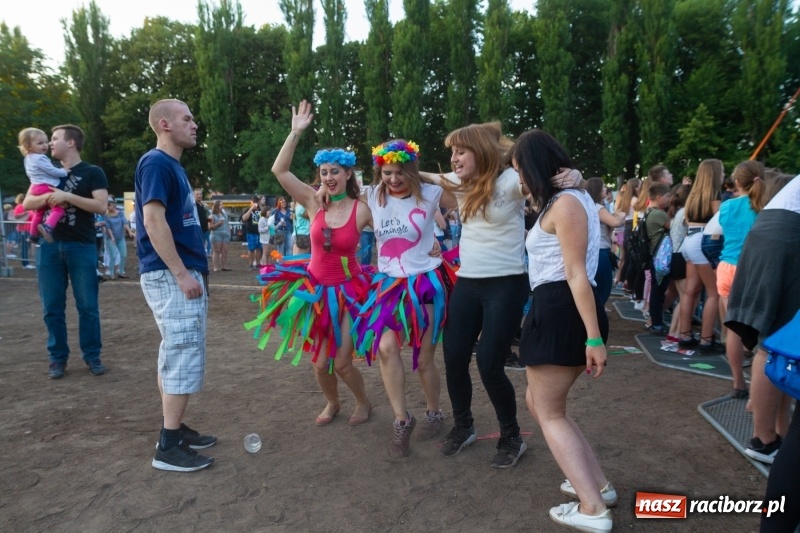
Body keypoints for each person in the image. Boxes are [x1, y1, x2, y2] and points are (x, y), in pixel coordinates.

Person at [246, 99, 372, 427]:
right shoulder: (312, 202)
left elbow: (393, 231)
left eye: (335, 171)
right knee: (319, 363)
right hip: (315, 292)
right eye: (324, 172)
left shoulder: (362, 209)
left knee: (342, 363)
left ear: (348, 174)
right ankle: (333, 402)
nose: (328, 177)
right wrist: (295, 133)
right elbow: (280, 171)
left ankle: (363, 402)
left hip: (348, 293)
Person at [512, 129, 613, 533]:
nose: (518, 177)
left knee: (548, 411)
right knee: (539, 403)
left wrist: (594, 337)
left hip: (560, 309)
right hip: (557, 307)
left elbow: (576, 274)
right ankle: (597, 487)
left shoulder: (567, 202)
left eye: (520, 168)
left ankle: (593, 508)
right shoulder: (570, 197)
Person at [421, 121, 529, 468]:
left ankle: (511, 436)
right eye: (452, 152)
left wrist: (572, 176)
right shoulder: (460, 183)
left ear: (480, 152)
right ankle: (464, 426)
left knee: (488, 363)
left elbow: (549, 178)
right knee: (453, 356)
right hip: (468, 284)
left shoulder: (511, 181)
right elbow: (426, 176)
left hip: (506, 284)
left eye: (460, 151)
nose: (453, 158)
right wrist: (396, 162)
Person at [353, 139, 457, 458]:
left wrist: (423, 175)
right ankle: (402, 419)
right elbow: (336, 196)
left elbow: (466, 190)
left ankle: (434, 412)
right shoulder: (372, 195)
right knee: (386, 348)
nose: (394, 179)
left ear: (411, 170)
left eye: (400, 172)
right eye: (387, 173)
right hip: (389, 285)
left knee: (424, 359)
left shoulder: (430, 194)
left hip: (425, 283)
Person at [135, 99, 216, 472]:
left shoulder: (171, 166)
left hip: (175, 271)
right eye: (187, 118)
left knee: (176, 351)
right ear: (165, 124)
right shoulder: (157, 162)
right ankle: (168, 446)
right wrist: (182, 273)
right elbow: (153, 220)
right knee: (182, 352)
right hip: (172, 273)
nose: (194, 124)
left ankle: (175, 429)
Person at [22, 124, 109, 379]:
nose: (50, 143)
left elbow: (101, 206)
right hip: (49, 247)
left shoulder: (92, 172)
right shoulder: (43, 168)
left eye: (55, 138)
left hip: (81, 245)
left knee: (88, 306)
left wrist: (67, 197)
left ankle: (92, 356)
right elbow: (28, 202)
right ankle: (57, 358)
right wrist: (51, 199)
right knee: (51, 307)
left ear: (71, 142)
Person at [717, 161, 767, 399]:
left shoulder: (727, 206)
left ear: (737, 182)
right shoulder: (764, 208)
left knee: (734, 330)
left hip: (726, 269)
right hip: (753, 269)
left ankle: (738, 383)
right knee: (760, 330)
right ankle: (760, 386)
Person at [678, 159, 724, 352]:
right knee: (713, 293)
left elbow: (686, 220)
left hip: (689, 240)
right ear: (715, 174)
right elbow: (720, 222)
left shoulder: (692, 195)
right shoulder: (714, 195)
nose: (724, 175)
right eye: (722, 171)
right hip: (703, 241)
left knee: (690, 291)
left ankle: (685, 335)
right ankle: (706, 339)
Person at [17, 127, 68, 243]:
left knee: (39, 212)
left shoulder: (28, 158)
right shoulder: (40, 158)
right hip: (46, 186)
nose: (45, 145)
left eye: (45, 142)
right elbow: (52, 170)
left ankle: (33, 235)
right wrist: (64, 171)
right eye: (40, 143)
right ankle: (48, 227)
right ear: (29, 146)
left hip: (36, 187)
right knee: (59, 209)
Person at [584, 178, 625, 306]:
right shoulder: (598, 208)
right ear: (597, 190)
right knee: (603, 289)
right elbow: (615, 222)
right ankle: (597, 314)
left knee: (594, 289)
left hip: (590, 251)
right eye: (603, 187)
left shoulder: (585, 205)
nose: (606, 190)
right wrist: (622, 215)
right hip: (601, 252)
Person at [643, 182, 672, 335]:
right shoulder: (659, 214)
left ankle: (656, 322)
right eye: (667, 196)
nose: (669, 199)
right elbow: (673, 228)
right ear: (659, 197)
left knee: (657, 291)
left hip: (654, 255)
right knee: (658, 292)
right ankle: (657, 324)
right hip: (660, 257)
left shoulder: (649, 212)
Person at [103, 196, 133, 279]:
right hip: (110, 238)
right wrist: (112, 237)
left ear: (113, 204)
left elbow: (125, 223)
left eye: (109, 205)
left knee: (124, 255)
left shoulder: (120, 213)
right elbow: (108, 227)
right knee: (113, 255)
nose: (108, 207)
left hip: (120, 237)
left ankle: (121, 272)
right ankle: (112, 274)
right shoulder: (106, 215)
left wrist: (129, 231)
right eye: (107, 205)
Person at [209, 200, 231, 272]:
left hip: (226, 234)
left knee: (225, 251)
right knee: (217, 251)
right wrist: (218, 223)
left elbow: (227, 223)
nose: (222, 206)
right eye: (220, 205)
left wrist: (229, 232)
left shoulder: (225, 214)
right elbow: (209, 227)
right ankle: (215, 267)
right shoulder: (211, 216)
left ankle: (224, 266)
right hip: (216, 234)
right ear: (216, 206)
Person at [241, 196, 261, 270]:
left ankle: (258, 264)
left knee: (259, 249)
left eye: (256, 202)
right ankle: (251, 264)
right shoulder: (247, 209)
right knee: (251, 249)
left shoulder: (260, 210)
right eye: (254, 202)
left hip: (260, 232)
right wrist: (251, 209)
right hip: (251, 232)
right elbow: (244, 218)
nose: (255, 203)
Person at [194, 189, 211, 257]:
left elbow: (209, 216)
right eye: (197, 194)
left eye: (200, 194)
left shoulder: (204, 205)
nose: (199, 196)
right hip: (197, 228)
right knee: (198, 244)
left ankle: (206, 254)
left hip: (206, 228)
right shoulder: (193, 206)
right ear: (193, 195)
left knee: (208, 242)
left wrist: (209, 223)